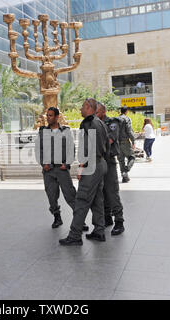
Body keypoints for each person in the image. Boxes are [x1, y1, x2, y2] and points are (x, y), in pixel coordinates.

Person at [59, 98, 110, 246]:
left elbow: (85, 149)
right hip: (101, 164)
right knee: (97, 199)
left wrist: (81, 167)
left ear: (88, 107)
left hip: (91, 165)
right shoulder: (100, 122)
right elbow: (106, 144)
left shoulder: (87, 123)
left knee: (81, 200)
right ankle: (99, 231)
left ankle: (75, 235)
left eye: (82, 107)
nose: (80, 109)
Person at [35, 107, 88, 231]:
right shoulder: (42, 132)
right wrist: (43, 164)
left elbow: (71, 148)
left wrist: (67, 164)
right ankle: (57, 217)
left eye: (51, 115)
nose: (48, 118)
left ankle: (79, 221)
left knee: (70, 195)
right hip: (48, 171)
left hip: (62, 169)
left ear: (57, 117)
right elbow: (38, 150)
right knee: (51, 196)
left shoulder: (65, 131)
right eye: (47, 115)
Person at [96, 102, 125, 236]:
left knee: (112, 191)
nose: (95, 115)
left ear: (103, 112)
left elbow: (110, 139)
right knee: (101, 192)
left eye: (97, 112)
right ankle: (107, 218)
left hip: (108, 161)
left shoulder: (112, 122)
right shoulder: (94, 124)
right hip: (97, 161)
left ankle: (119, 221)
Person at [118, 106, 135, 183]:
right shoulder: (126, 119)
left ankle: (125, 178)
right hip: (125, 142)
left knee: (121, 160)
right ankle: (126, 170)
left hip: (117, 143)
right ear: (126, 111)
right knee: (132, 157)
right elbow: (129, 131)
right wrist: (133, 141)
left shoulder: (116, 119)